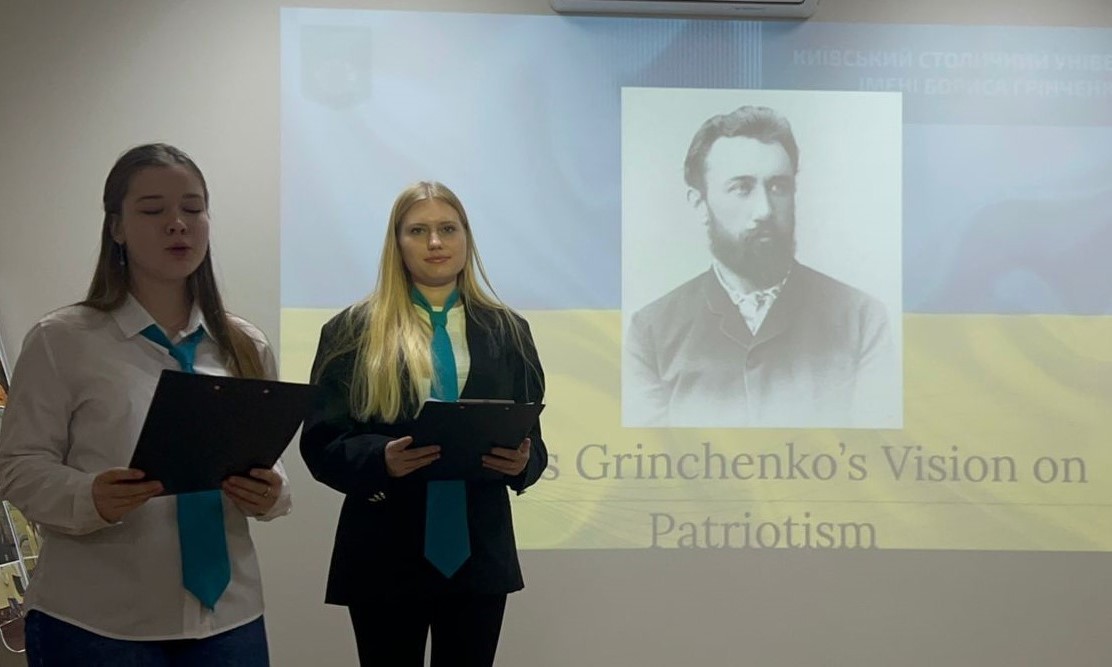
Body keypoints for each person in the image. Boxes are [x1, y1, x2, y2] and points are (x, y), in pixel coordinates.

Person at [0, 143, 291, 666]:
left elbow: (263, 456)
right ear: (116, 227)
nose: (178, 224)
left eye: (193, 208)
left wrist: (271, 492)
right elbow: (17, 465)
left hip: (230, 619)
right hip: (97, 622)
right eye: (153, 210)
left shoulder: (245, 345)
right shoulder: (62, 340)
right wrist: (88, 495)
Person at [300, 181, 546, 667]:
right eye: (418, 231)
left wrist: (523, 463)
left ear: (466, 238)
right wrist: (380, 459)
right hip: (383, 554)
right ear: (396, 242)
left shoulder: (510, 331)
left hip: (479, 555)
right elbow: (322, 443)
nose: (435, 242)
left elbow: (533, 442)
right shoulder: (351, 331)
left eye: (447, 229)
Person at [623, 105, 897, 428]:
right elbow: (646, 453)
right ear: (700, 204)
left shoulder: (861, 319)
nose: (765, 210)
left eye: (778, 187)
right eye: (742, 188)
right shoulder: (652, 331)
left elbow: (876, 448)